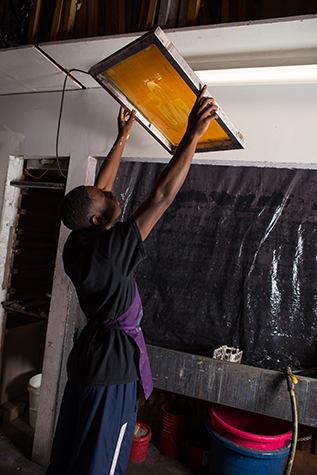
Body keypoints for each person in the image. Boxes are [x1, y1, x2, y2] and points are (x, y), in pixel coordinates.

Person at [46, 85, 218, 475]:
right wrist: (192, 134)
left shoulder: (78, 243)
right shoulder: (109, 251)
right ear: (97, 219)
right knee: (102, 462)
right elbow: (161, 195)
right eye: (103, 197)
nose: (110, 193)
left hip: (90, 360)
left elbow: (99, 191)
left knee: (73, 451)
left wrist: (121, 138)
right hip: (110, 370)